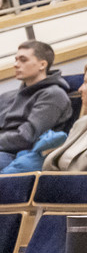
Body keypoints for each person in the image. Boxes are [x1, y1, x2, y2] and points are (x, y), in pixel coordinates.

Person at [0, 41, 73, 170]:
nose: (16, 64)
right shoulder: (7, 96)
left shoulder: (53, 95)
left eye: (23, 60)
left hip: (21, 156)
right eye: (16, 60)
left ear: (42, 65)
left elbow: (26, 137)